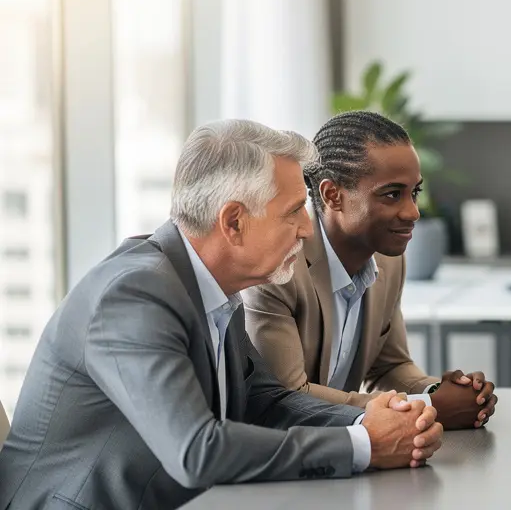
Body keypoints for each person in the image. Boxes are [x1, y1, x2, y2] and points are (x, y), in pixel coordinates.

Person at [0, 120, 443, 510]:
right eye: (293, 213)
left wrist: (375, 420)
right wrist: (365, 444)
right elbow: (197, 450)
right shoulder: (134, 295)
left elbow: (266, 400)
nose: (308, 229)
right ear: (233, 222)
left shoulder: (213, 288)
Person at [242, 111, 497, 430]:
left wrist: (442, 393)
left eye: (414, 192)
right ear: (332, 195)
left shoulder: (389, 261)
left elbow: (389, 367)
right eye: (392, 194)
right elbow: (287, 396)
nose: (413, 212)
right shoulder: (280, 268)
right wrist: (426, 407)